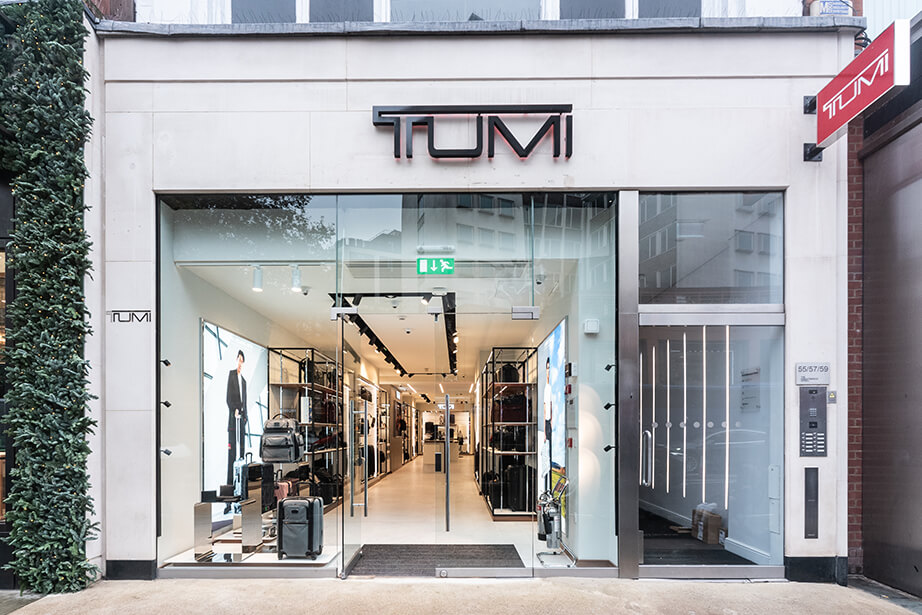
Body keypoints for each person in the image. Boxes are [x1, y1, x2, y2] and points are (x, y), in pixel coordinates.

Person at [225, 350, 247, 513]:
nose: (240, 363)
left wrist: (244, 417)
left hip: (242, 424)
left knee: (242, 459)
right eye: (238, 360)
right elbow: (228, 398)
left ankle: (242, 497)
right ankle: (228, 501)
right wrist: (235, 410)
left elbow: (245, 400)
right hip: (233, 423)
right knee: (231, 460)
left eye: (242, 361)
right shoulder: (231, 375)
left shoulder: (243, 381)